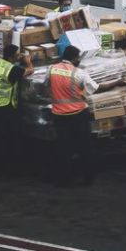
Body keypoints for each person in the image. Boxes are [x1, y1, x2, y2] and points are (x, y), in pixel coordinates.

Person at [47, 45, 98, 185]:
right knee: (85, 147)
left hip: (59, 116)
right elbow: (92, 88)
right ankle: (88, 179)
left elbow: (47, 85)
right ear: (75, 58)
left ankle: (64, 179)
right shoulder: (79, 73)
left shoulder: (51, 69)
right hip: (78, 115)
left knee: (64, 149)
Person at [0, 42, 34, 173]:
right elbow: (30, 71)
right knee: (10, 136)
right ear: (10, 57)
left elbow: (14, 67)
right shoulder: (12, 70)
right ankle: (8, 167)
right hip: (6, 107)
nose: (19, 57)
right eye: (17, 55)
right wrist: (28, 61)